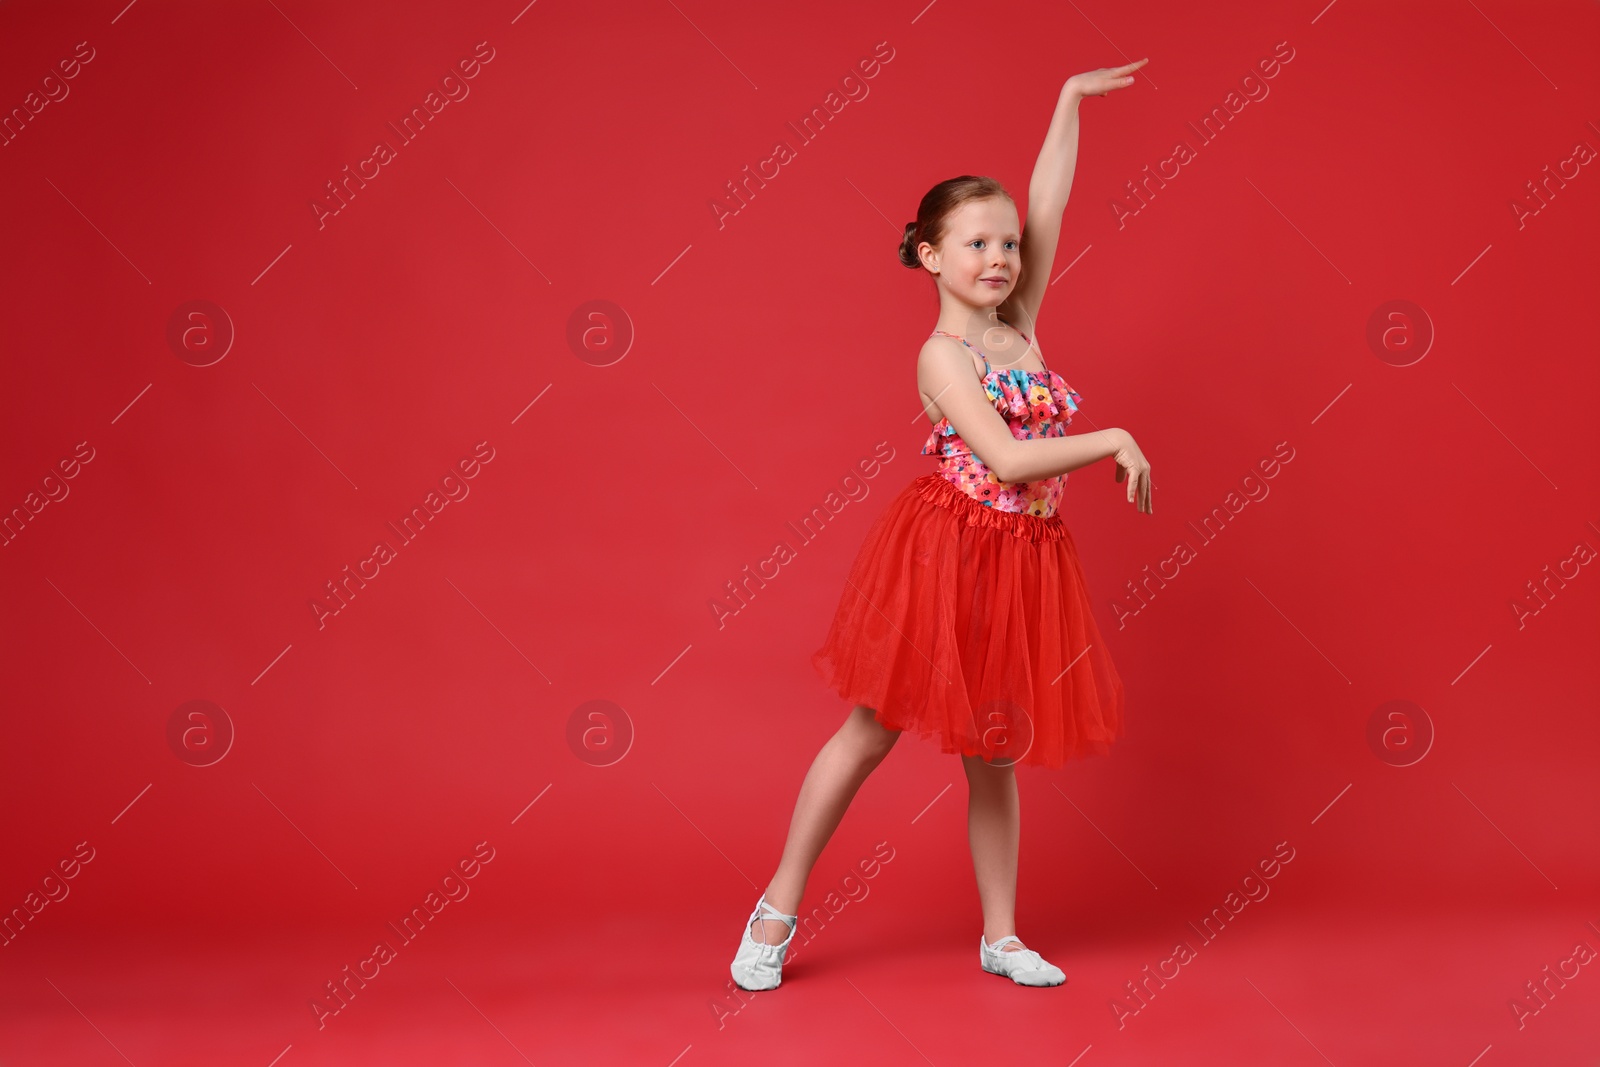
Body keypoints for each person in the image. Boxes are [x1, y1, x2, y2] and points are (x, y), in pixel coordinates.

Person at [731, 57, 1153, 992]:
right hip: (949, 548)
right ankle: (777, 904)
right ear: (929, 254)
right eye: (976, 245)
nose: (1001, 258)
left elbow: (1050, 200)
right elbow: (1005, 460)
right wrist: (1112, 435)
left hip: (1025, 559)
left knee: (994, 748)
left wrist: (1066, 102)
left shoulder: (1022, 321)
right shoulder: (945, 356)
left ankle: (1001, 935)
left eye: (1007, 245)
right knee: (870, 731)